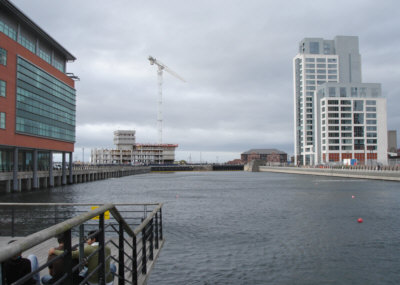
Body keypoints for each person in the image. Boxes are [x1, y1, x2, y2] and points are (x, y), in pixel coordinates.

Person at [49, 230, 115, 285]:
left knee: (83, 272)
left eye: (88, 238)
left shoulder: (89, 248)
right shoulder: (107, 248)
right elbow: (97, 261)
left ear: (93, 239)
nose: (86, 240)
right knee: (112, 266)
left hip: (93, 282)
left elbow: (71, 254)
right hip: (108, 281)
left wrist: (54, 251)